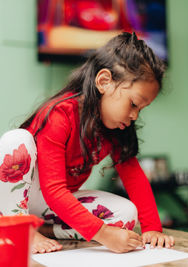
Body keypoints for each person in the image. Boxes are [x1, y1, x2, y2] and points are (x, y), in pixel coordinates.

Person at [0, 32, 174, 254]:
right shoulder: (59, 115)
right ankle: (18, 227)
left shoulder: (115, 129)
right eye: (133, 104)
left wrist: (152, 229)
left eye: (140, 109)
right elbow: (53, 190)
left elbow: (134, 177)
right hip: (18, 198)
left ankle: (45, 229)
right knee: (16, 140)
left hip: (50, 208)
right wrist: (103, 234)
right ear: (104, 82)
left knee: (126, 215)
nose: (135, 116)